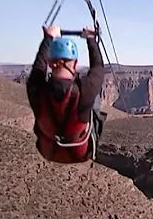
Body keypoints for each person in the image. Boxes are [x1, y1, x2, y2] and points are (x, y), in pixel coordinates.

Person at [26, 24, 107, 164]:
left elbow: (38, 66)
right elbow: (98, 67)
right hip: (79, 152)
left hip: (48, 150)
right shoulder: (86, 89)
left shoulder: (36, 88)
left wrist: (49, 38)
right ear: (75, 63)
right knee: (95, 99)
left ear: (50, 63)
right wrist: (91, 39)